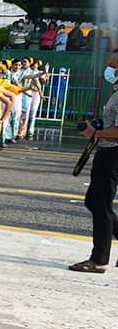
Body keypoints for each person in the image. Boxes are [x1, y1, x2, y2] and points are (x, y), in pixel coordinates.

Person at [70, 47, 118, 273]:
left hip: (113, 154)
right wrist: (97, 125)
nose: (111, 71)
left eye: (115, 66)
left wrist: (95, 134)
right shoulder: (116, 91)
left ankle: (98, 260)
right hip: (106, 151)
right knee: (94, 202)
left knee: (102, 206)